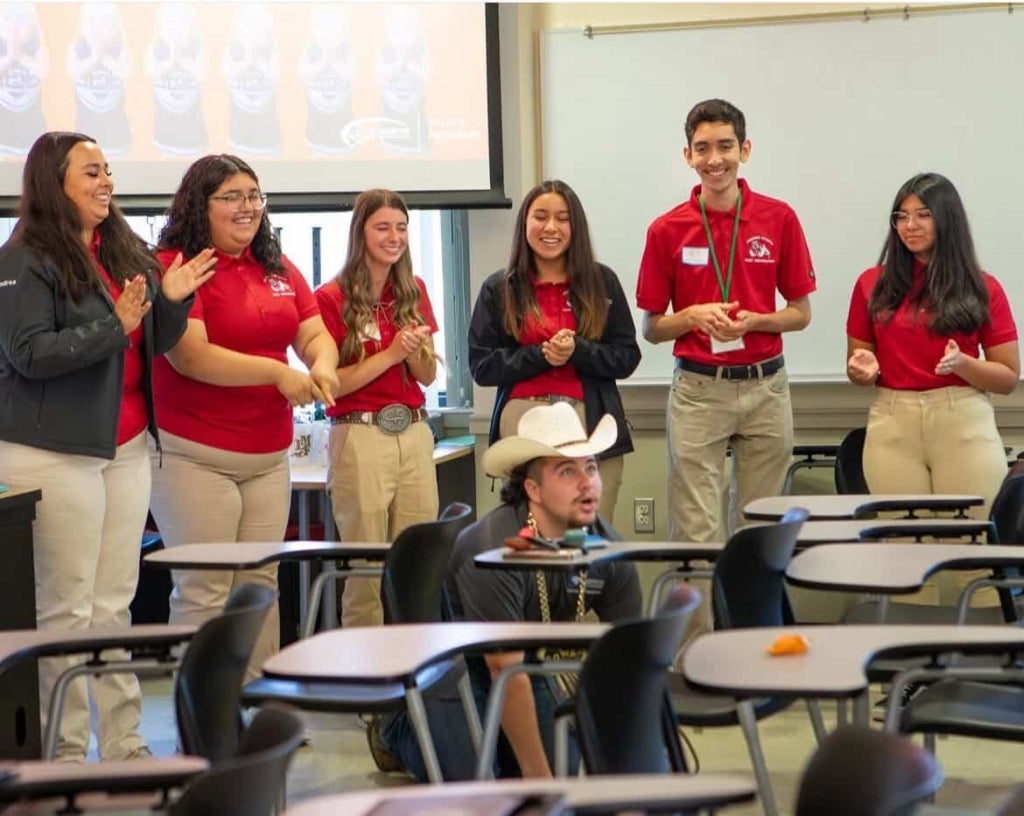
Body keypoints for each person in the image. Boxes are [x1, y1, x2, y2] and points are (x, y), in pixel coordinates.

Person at [0, 131, 215, 761]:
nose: (105, 182)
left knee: (113, 604)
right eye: (91, 172)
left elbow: (152, 339)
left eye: (108, 171)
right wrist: (112, 325)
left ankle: (122, 743)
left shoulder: (119, 249)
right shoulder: (23, 258)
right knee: (66, 607)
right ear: (53, 182)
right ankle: (63, 753)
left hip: (123, 448)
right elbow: (29, 355)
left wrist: (169, 302)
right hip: (53, 451)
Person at [149, 154, 339, 683]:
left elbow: (314, 332)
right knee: (204, 590)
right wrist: (276, 375)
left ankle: (255, 707)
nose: (248, 207)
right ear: (198, 205)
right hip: (193, 456)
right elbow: (191, 357)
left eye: (254, 196)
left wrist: (321, 363)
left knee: (260, 587)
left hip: (267, 455)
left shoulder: (276, 266)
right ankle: (205, 723)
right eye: (231, 197)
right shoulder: (177, 265)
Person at [379, 402, 642, 781]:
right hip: (460, 670)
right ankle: (396, 729)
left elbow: (628, 655)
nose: (587, 483)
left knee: (559, 764)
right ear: (533, 488)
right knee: (473, 784)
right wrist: (543, 785)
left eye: (592, 468)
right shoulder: (491, 549)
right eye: (567, 471)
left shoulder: (608, 546)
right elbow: (505, 667)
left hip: (532, 665)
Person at [636, 98, 816, 544]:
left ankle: (749, 616)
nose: (714, 160)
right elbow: (652, 328)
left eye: (725, 146)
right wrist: (692, 316)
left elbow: (800, 314)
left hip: (766, 388)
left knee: (762, 529)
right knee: (696, 533)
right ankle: (696, 619)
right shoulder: (666, 229)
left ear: (745, 150)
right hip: (698, 391)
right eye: (702, 149)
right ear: (688, 156)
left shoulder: (779, 218)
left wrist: (755, 322)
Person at [846, 173, 1018, 527]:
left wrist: (962, 364)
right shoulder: (871, 284)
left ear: (947, 219)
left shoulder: (982, 287)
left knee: (972, 546)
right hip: (893, 421)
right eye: (901, 216)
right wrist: (862, 370)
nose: (910, 225)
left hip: (963, 418)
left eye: (923, 214)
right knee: (904, 551)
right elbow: (861, 366)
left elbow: (1007, 378)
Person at [469, 180, 641, 522]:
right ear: (525, 224)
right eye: (541, 217)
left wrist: (578, 351)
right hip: (523, 422)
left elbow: (626, 356)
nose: (551, 227)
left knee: (588, 534)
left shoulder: (601, 282)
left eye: (563, 218)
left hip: (588, 420)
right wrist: (540, 356)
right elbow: (482, 365)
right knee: (532, 533)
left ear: (575, 226)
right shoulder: (499, 288)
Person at [315, 188, 439, 629]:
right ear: (360, 233)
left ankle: (414, 680)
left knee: (417, 566)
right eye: (383, 227)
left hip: (414, 431)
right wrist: (388, 355)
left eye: (401, 228)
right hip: (360, 434)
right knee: (366, 571)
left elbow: (426, 376)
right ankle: (363, 686)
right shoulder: (330, 298)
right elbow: (330, 386)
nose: (394, 237)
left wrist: (413, 352)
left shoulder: (414, 290)